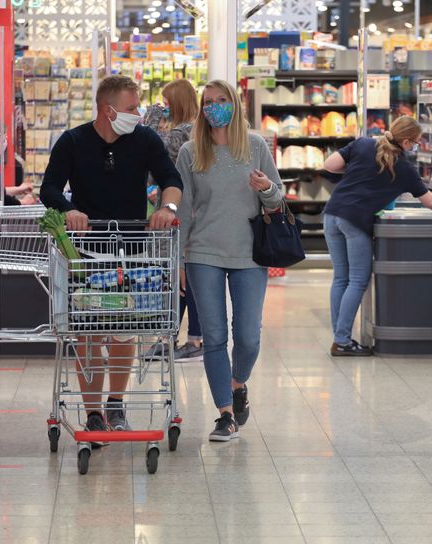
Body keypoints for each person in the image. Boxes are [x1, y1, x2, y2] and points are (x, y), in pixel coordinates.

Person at [40, 75, 183, 436]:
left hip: (132, 248)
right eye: (133, 107)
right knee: (88, 332)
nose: (139, 113)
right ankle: (92, 412)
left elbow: (171, 178)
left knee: (124, 330)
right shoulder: (72, 141)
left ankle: (115, 404)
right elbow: (49, 188)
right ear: (109, 109)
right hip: (85, 252)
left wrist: (166, 207)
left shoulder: (145, 140)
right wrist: (68, 209)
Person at [176, 79, 282, 442]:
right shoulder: (191, 152)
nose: (214, 107)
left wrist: (266, 188)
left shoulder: (254, 146)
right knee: (215, 336)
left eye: (222, 100)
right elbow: (184, 209)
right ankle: (225, 414)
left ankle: (238, 385)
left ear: (235, 104)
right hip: (203, 252)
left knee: (249, 337)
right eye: (209, 102)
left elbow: (278, 197)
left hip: (250, 253)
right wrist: (178, 259)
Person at [321, 116, 432, 357]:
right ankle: (342, 341)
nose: (415, 147)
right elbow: (429, 200)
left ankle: (340, 337)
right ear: (405, 141)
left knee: (341, 278)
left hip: (331, 214)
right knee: (357, 281)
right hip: (354, 221)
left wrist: (354, 170)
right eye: (415, 143)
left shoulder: (362, 144)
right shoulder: (403, 167)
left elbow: (329, 165)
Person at [143, 79, 203, 362]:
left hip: (180, 211)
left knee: (184, 277)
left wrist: (150, 121)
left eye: (166, 103)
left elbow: (149, 152)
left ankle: (192, 339)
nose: (162, 108)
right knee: (178, 276)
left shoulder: (183, 132)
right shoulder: (191, 130)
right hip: (178, 210)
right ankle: (171, 337)